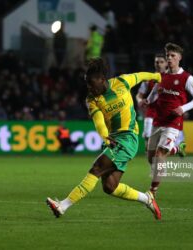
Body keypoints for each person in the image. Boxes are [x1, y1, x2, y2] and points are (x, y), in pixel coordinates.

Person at [46, 58, 162, 220]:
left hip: (127, 138)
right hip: (113, 140)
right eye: (87, 84)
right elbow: (99, 120)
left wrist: (158, 77)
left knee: (96, 168)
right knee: (110, 187)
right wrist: (104, 136)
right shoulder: (92, 100)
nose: (89, 88)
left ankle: (63, 205)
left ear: (102, 80)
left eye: (91, 83)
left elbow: (141, 75)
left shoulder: (122, 82)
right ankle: (146, 198)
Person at [147, 43, 193, 195]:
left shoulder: (187, 78)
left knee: (159, 156)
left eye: (173, 56)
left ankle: (152, 192)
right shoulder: (161, 76)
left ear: (179, 58)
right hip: (158, 120)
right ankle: (177, 148)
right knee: (151, 157)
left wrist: (183, 108)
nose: (170, 58)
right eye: (168, 56)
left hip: (173, 122)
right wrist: (148, 100)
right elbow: (153, 93)